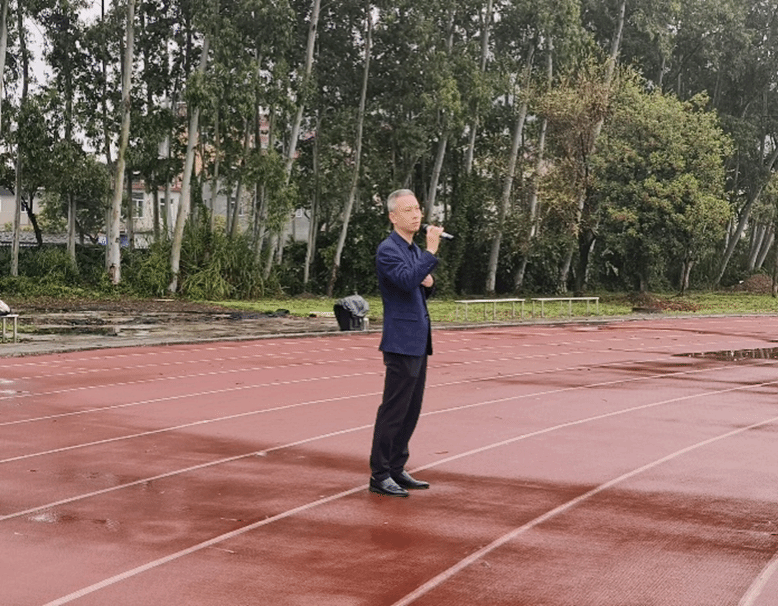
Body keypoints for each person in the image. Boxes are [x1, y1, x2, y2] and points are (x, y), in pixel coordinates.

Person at [369, 189, 444, 497]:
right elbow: (404, 280)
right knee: (394, 409)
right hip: (401, 341)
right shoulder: (388, 249)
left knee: (412, 409)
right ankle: (380, 473)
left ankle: (397, 467)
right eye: (408, 210)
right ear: (392, 216)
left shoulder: (412, 250)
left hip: (418, 340)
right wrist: (431, 252)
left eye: (417, 209)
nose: (416, 215)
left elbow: (417, 284)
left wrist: (430, 283)